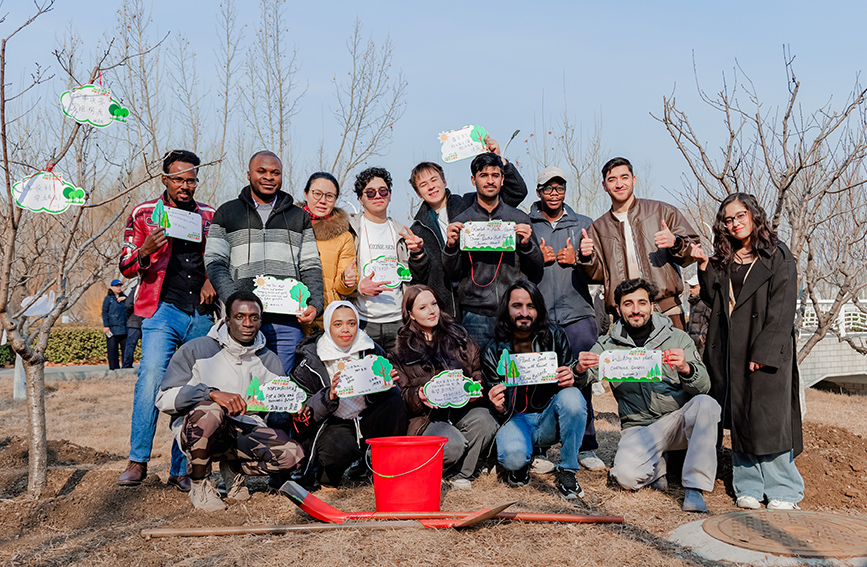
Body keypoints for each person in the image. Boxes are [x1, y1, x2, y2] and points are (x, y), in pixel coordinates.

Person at [692, 193, 804, 510]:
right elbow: (715, 300)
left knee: (769, 418)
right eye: (728, 219)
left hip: (766, 347)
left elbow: (783, 311)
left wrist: (764, 351)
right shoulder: (725, 257)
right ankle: (749, 486)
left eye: (740, 216)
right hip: (731, 349)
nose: (735, 223)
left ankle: (783, 489)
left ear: (754, 216)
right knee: (740, 415)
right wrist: (703, 264)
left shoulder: (777, 255)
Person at [574, 279, 720, 513]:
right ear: (619, 309)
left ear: (653, 306)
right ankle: (658, 467)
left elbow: (703, 386)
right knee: (626, 477)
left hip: (677, 422)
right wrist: (580, 369)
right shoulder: (607, 344)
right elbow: (584, 376)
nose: (635, 309)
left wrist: (686, 368)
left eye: (642, 303)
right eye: (628, 304)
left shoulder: (678, 338)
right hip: (639, 427)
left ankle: (695, 487)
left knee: (706, 404)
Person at [118, 149, 217, 490]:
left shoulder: (209, 215)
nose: (185, 186)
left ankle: (183, 468)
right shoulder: (145, 213)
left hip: (200, 314)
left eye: (190, 180)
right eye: (178, 179)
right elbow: (126, 265)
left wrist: (211, 280)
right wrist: (144, 251)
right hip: (163, 310)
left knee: (192, 390)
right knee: (150, 378)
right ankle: (137, 461)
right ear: (165, 179)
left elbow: (219, 260)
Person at [155, 291, 304, 511]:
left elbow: (276, 404)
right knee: (210, 411)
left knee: (293, 456)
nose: (247, 323)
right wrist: (210, 393)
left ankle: (233, 469)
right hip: (199, 430)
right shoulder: (195, 349)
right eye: (239, 316)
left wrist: (295, 406)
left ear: (260, 321)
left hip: (242, 432)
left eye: (254, 317)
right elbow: (163, 398)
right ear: (227, 320)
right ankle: (200, 484)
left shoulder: (270, 360)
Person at [205, 151, 325, 373]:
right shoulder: (227, 213)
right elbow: (214, 261)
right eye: (262, 171)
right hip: (243, 321)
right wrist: (234, 301)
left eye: (275, 173)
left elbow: (310, 265)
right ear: (249, 174)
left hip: (286, 323)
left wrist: (315, 303)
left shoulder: (299, 217)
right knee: (243, 388)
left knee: (281, 388)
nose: (269, 177)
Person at [481, 281, 588, 499]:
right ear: (506, 309)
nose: (524, 313)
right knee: (512, 459)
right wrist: (498, 405)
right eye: (517, 306)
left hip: (549, 415)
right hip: (517, 419)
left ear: (538, 309)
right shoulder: (493, 350)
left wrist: (572, 376)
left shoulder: (556, 336)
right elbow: (497, 405)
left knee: (573, 397)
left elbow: (572, 378)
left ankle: (567, 470)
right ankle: (522, 462)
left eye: (530, 306)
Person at [529, 166, 604, 471]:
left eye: (559, 188)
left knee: (582, 379)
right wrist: (537, 259)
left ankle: (586, 445)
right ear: (539, 192)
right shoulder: (527, 224)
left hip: (578, 313)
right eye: (548, 188)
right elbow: (516, 271)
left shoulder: (583, 224)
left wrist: (582, 259)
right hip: (540, 316)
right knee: (541, 380)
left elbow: (598, 271)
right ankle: (542, 447)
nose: (554, 193)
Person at [406, 135, 528, 319]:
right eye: (423, 185)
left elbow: (516, 193)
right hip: (445, 308)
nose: (431, 187)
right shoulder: (417, 229)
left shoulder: (470, 204)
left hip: (478, 301)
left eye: (434, 180)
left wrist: (500, 161)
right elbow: (419, 278)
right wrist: (417, 254)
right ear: (417, 192)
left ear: (444, 181)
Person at [390, 285, 499, 489]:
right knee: (452, 443)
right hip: (426, 418)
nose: (432, 311)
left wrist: (475, 388)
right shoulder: (399, 349)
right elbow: (400, 396)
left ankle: (462, 473)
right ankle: (425, 468)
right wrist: (418, 395)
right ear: (411, 314)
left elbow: (477, 371)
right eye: (422, 308)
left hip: (459, 411)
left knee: (486, 420)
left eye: (434, 304)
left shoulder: (459, 337)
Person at [289, 301, 408, 489]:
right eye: (338, 324)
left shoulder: (371, 349)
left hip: (366, 417)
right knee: (339, 446)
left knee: (393, 397)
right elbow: (302, 411)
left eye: (351, 323)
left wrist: (386, 384)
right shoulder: (310, 359)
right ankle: (327, 479)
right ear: (328, 325)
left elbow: (387, 389)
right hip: (332, 423)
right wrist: (329, 396)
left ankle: (386, 466)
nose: (346, 330)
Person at [579, 157, 699, 330]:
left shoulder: (662, 211)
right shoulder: (597, 228)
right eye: (612, 179)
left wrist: (676, 242)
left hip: (666, 310)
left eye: (624, 177)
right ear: (604, 186)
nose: (619, 184)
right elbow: (597, 276)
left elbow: (693, 248)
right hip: (625, 314)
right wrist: (586, 257)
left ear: (634, 180)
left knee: (674, 357)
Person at [442, 153, 544, 348]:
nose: (490, 180)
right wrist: (451, 247)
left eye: (495, 175)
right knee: (478, 373)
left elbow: (537, 270)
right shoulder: (462, 222)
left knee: (513, 373)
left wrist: (526, 245)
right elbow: (453, 274)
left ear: (502, 179)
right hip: (475, 316)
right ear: (473, 180)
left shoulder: (519, 219)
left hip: (513, 314)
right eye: (484, 175)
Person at [345, 167, 415, 352]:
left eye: (383, 191)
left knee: (400, 378)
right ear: (360, 199)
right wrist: (358, 287)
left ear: (390, 195)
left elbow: (415, 276)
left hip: (398, 321)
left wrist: (419, 254)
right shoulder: (348, 230)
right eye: (370, 192)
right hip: (363, 321)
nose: (378, 195)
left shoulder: (402, 232)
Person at [299, 172, 357, 332]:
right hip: (292, 313)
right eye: (317, 193)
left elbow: (343, 288)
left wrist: (347, 280)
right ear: (306, 193)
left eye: (329, 196)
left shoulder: (343, 236)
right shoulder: (290, 227)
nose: (322, 200)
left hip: (327, 314)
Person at [102, 279, 128, 371]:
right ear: (111, 287)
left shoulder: (125, 298)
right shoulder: (108, 299)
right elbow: (104, 312)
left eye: (120, 286)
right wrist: (106, 325)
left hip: (124, 328)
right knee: (113, 350)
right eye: (116, 286)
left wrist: (126, 299)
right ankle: (114, 368)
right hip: (112, 328)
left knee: (126, 349)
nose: (119, 288)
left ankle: (126, 367)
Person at [685, 275, 710, 357]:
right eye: (690, 287)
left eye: (693, 287)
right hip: (693, 343)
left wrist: (704, 336)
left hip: (703, 345)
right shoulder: (693, 302)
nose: (690, 289)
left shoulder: (706, 302)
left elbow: (713, 321)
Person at [122, 285, 142, 369]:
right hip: (148, 320)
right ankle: (147, 365)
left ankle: (127, 365)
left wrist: (129, 315)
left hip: (134, 320)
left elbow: (128, 304)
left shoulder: (136, 288)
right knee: (147, 345)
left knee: (130, 345)